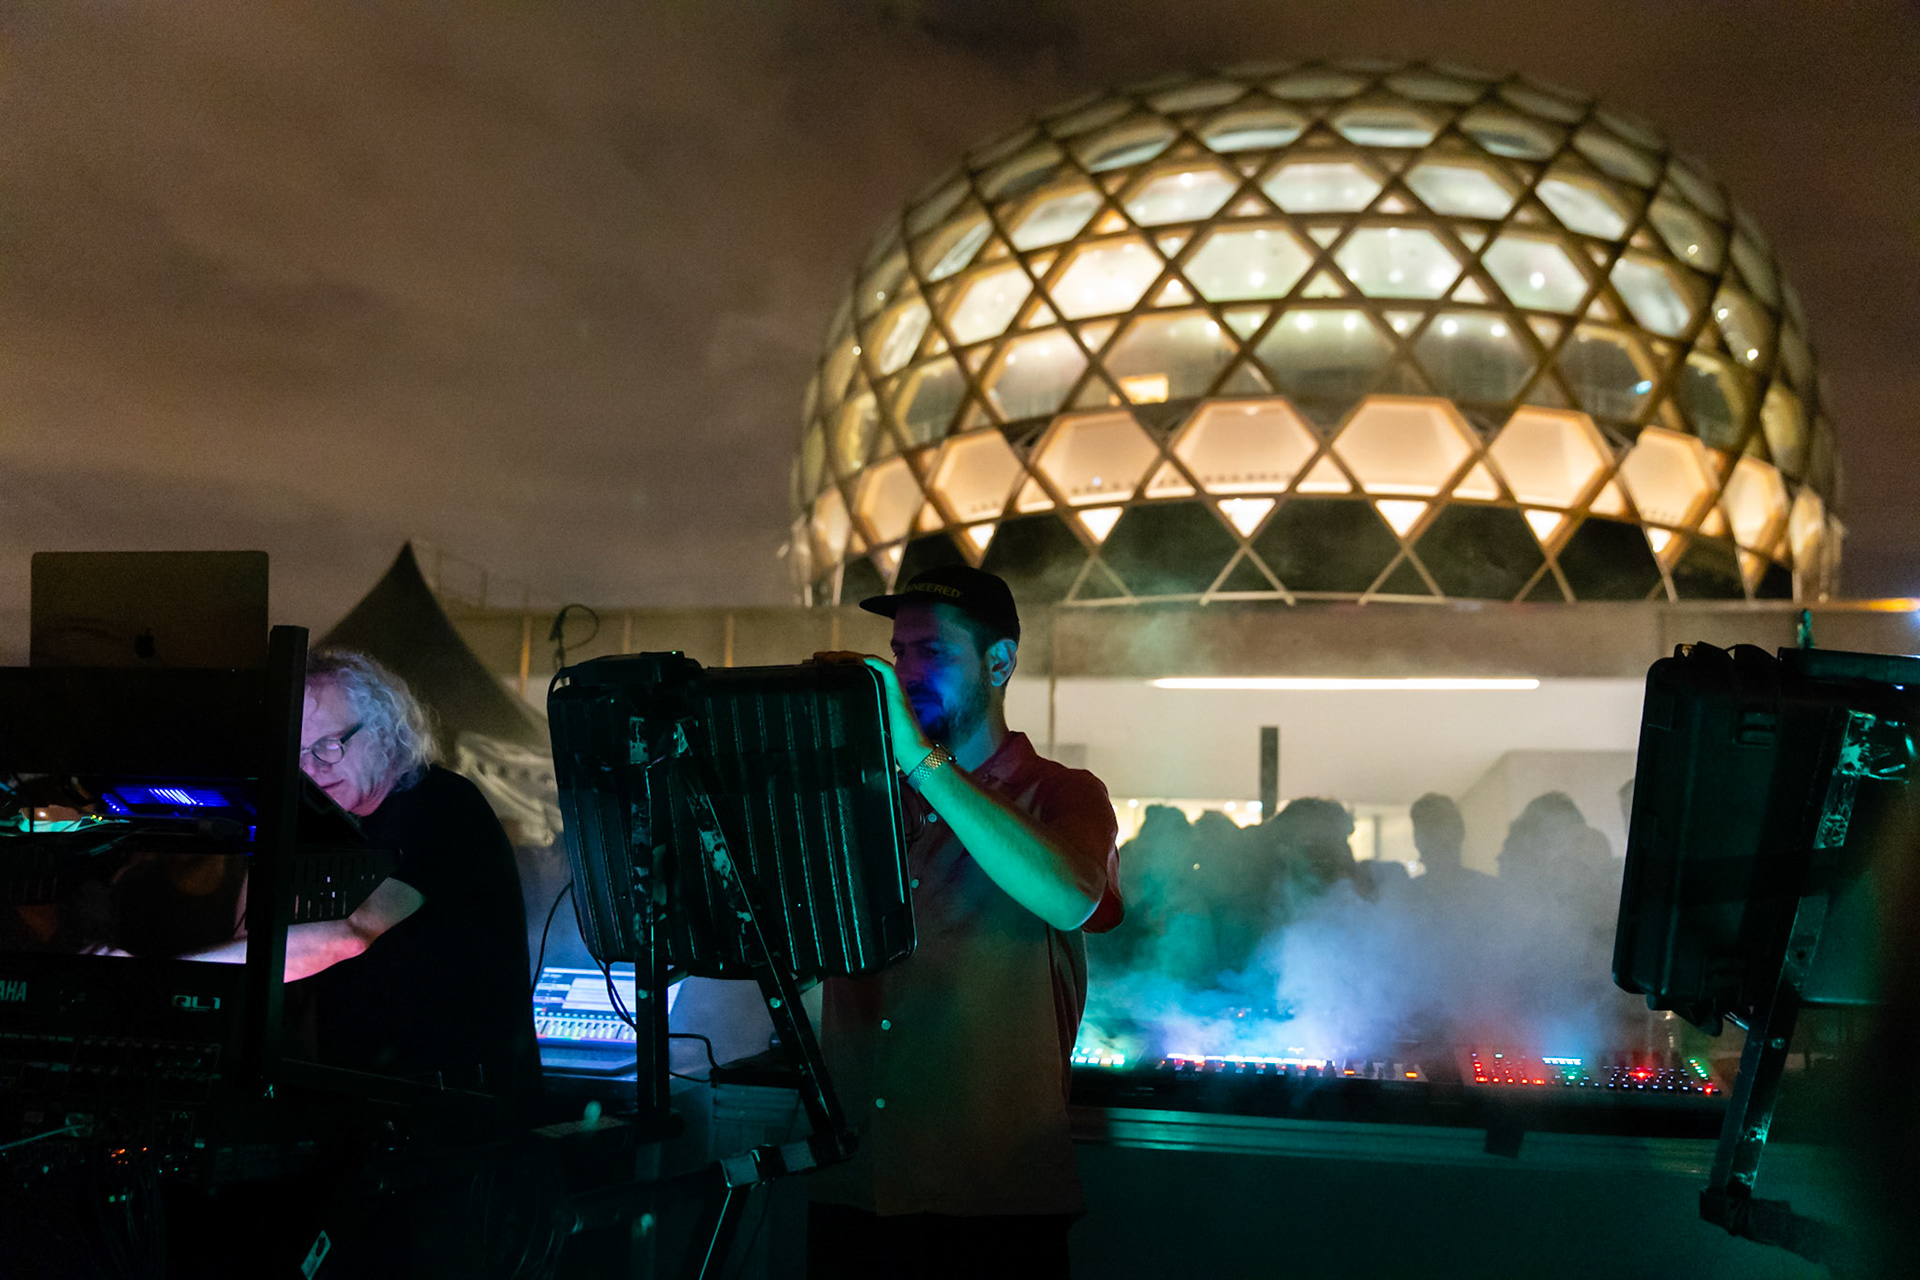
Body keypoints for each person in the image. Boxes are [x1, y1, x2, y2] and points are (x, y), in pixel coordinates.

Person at [807, 566, 1123, 1280]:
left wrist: (921, 761)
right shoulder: (864, 801)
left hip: (991, 1204)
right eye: (899, 651)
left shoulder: (1064, 793)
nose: (907, 670)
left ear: (1000, 663)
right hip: (854, 1187)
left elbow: (1074, 895)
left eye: (933, 652)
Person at [188, 649, 540, 1111]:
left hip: (461, 1104)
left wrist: (178, 970)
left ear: (384, 732)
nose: (314, 769)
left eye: (328, 746)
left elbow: (351, 932)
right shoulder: (326, 823)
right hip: (367, 1095)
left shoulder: (437, 804)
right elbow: (256, 939)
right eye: (297, 756)